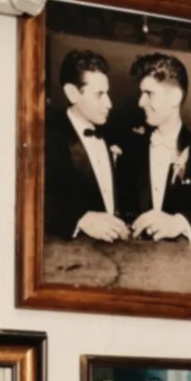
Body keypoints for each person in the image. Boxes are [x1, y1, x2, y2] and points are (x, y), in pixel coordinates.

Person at [121, 52, 191, 243]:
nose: (140, 103)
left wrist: (179, 223)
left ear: (175, 97)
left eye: (149, 94)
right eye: (141, 94)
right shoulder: (131, 150)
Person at [43, 49, 127, 243]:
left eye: (108, 93)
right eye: (100, 95)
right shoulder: (47, 137)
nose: (109, 103)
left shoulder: (113, 131)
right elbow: (28, 199)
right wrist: (80, 219)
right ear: (72, 93)